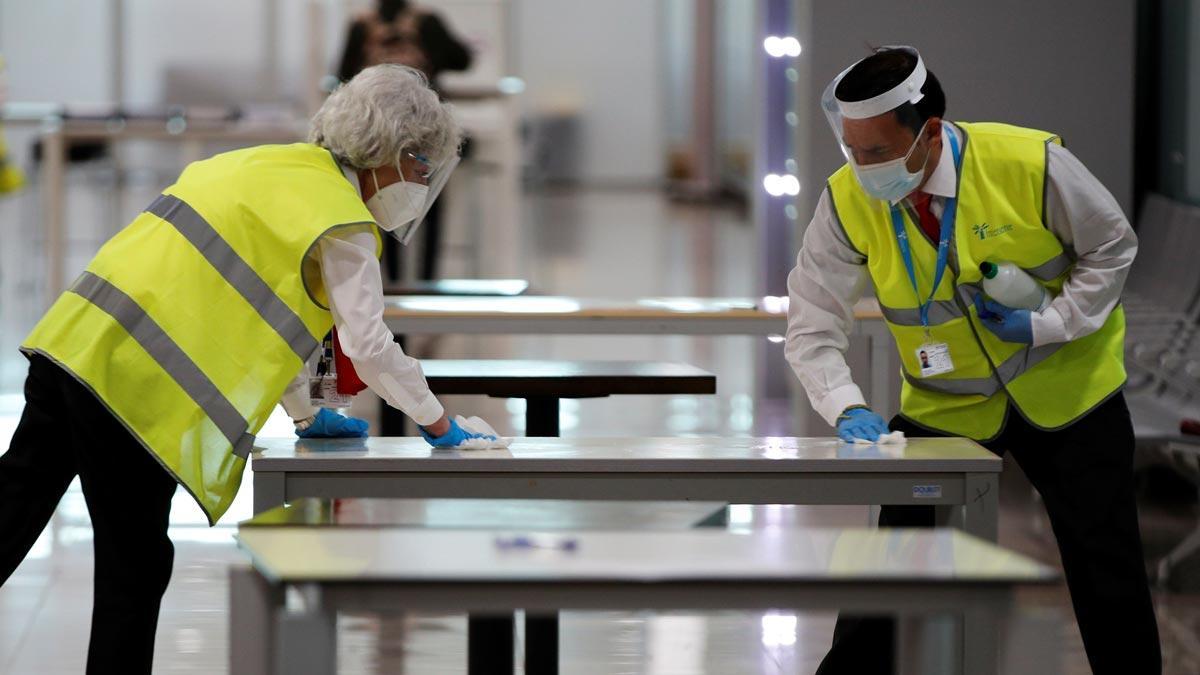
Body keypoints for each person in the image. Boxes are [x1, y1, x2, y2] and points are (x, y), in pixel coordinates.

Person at [0, 64, 499, 674]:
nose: (421, 183)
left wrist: (306, 412)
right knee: (135, 565)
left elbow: (259, 305)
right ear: (389, 152)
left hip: (74, 342)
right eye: (421, 166)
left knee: (12, 507)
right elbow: (368, 345)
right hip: (132, 386)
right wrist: (437, 420)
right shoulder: (342, 220)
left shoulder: (258, 165)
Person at [785, 46, 1160, 674]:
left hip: (1068, 390)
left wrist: (1049, 323)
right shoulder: (849, 198)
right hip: (948, 406)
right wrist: (843, 404)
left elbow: (1112, 246)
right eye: (852, 151)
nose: (862, 168)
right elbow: (811, 316)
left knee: (1107, 573)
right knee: (886, 582)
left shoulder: (1027, 161)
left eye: (876, 152)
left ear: (929, 132)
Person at [337, 0, 473, 282]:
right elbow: (462, 60)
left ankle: (390, 290)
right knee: (430, 210)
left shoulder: (363, 25)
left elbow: (342, 74)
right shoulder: (426, 22)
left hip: (378, 136)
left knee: (382, 211)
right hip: (425, 134)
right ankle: (428, 285)